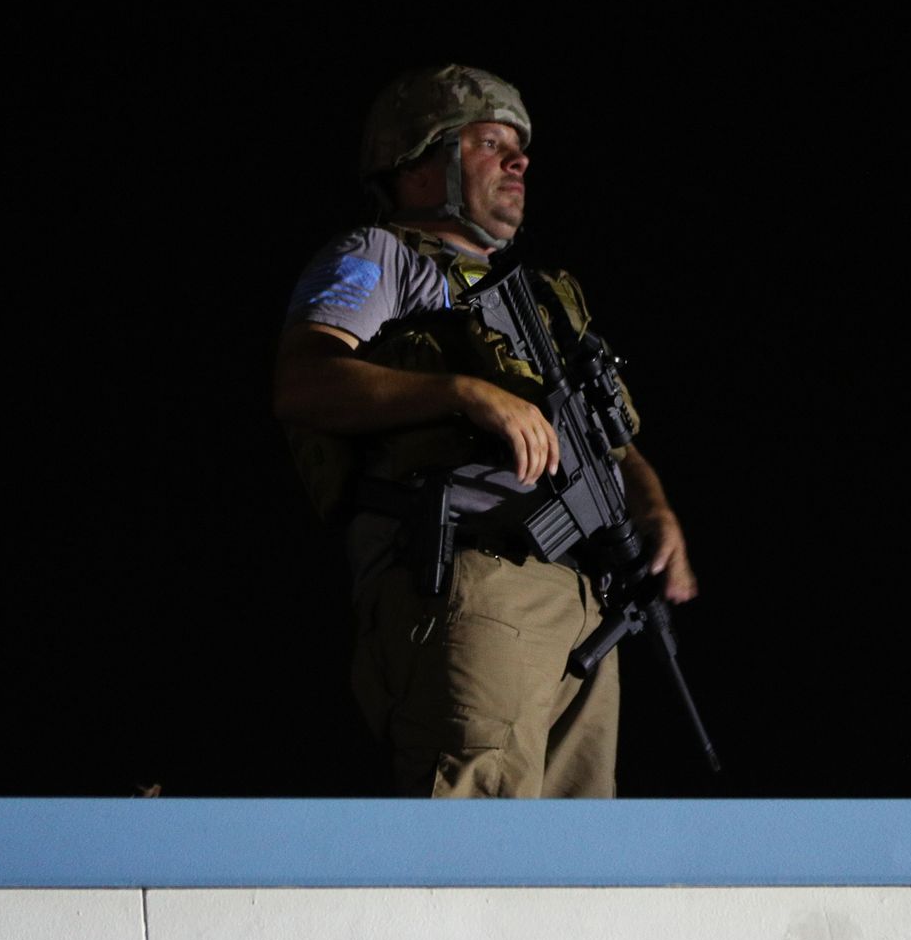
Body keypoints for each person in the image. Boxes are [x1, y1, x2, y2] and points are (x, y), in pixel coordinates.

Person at [273, 64, 696, 798]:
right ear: (419, 161)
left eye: (520, 146)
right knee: (474, 841)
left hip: (583, 609)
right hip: (474, 578)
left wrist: (654, 509)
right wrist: (465, 393)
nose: (518, 160)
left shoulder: (538, 300)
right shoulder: (381, 257)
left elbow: (609, 440)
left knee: (572, 870)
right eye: (489, 142)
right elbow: (304, 380)